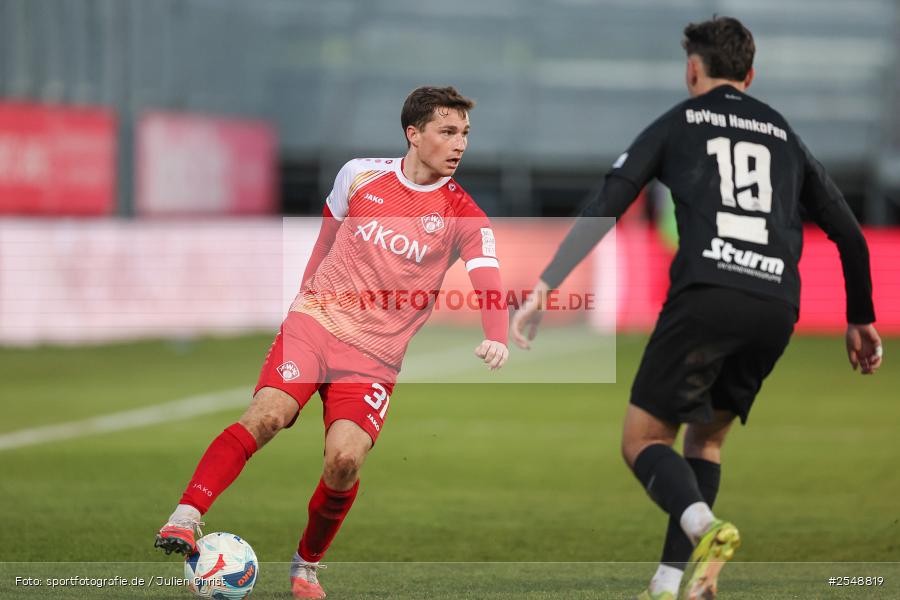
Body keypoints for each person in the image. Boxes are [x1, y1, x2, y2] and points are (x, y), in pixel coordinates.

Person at [511, 16, 882, 600]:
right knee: (705, 442)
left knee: (642, 441)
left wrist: (547, 282)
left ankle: (704, 527)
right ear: (750, 75)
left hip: (709, 293)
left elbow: (612, 196)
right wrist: (860, 318)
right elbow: (850, 235)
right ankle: (669, 585)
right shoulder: (784, 132)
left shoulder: (681, 121)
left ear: (693, 69)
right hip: (776, 303)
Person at [154, 85, 509, 599]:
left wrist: (495, 335)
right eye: (447, 132)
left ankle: (305, 566)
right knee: (267, 414)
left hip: (374, 356)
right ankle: (186, 516)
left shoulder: (464, 215)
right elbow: (325, 241)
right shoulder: (359, 175)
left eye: (465, 135)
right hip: (316, 323)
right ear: (414, 134)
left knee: (344, 461)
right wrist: (302, 302)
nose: (459, 145)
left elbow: (489, 278)